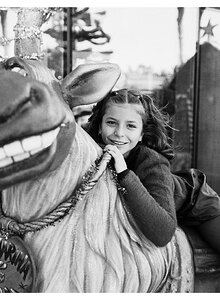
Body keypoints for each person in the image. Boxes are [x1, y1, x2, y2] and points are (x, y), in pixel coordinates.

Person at [86, 88, 220, 252]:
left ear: (142, 134)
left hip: (198, 206)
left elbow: (162, 234)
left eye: (131, 126)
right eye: (111, 123)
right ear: (100, 126)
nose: (119, 133)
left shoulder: (153, 162)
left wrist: (124, 174)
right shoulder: (91, 153)